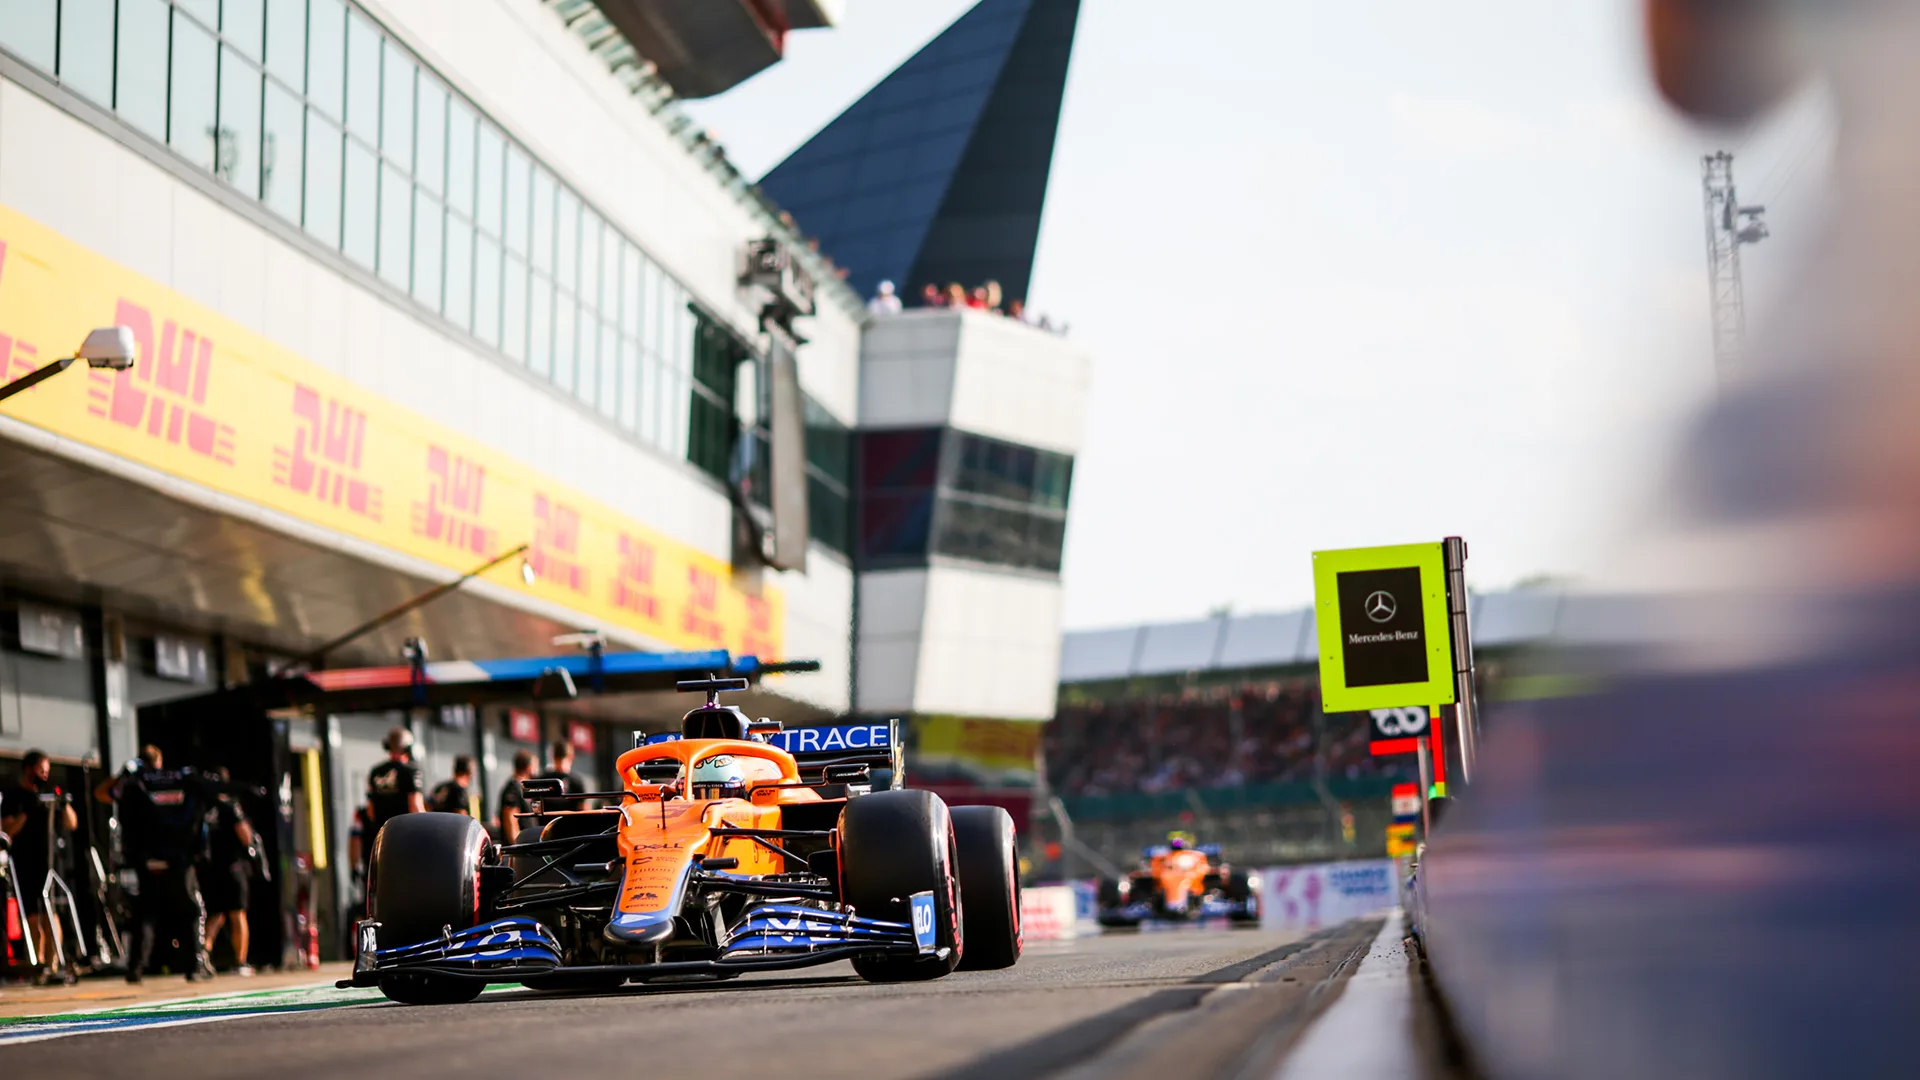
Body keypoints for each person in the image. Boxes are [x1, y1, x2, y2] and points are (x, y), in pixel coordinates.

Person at [111, 746, 215, 983]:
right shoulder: (182, 779)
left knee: (145, 914)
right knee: (190, 911)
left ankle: (135, 968)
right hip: (179, 858)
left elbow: (107, 794)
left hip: (148, 858)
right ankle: (193, 966)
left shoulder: (134, 781)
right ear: (159, 761)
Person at [2, 750, 78, 982]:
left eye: (46, 771)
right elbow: (7, 831)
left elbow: (71, 824)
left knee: (51, 912)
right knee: (33, 916)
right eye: (40, 770)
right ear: (29, 769)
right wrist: (27, 811)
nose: (44, 775)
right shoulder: (14, 796)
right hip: (26, 861)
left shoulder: (50, 793)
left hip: (51, 861)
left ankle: (54, 964)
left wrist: (63, 803)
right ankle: (39, 964)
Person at [201, 767, 257, 976]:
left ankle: (203, 952)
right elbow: (245, 835)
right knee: (237, 913)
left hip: (211, 867)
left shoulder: (204, 807)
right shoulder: (230, 806)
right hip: (233, 867)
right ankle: (240, 961)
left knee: (216, 913)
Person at [363, 727, 425, 880]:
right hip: (407, 839)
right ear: (408, 748)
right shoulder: (411, 771)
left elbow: (370, 811)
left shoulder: (376, 772)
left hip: (382, 839)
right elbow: (416, 808)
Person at [534, 741, 591, 809]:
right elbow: (583, 808)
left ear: (552, 756)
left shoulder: (542, 780)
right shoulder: (576, 781)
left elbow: (535, 806)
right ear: (571, 757)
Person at [497, 749, 537, 843]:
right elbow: (510, 819)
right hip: (521, 847)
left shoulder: (523, 787)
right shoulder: (513, 788)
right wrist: (517, 845)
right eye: (535, 765)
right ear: (529, 767)